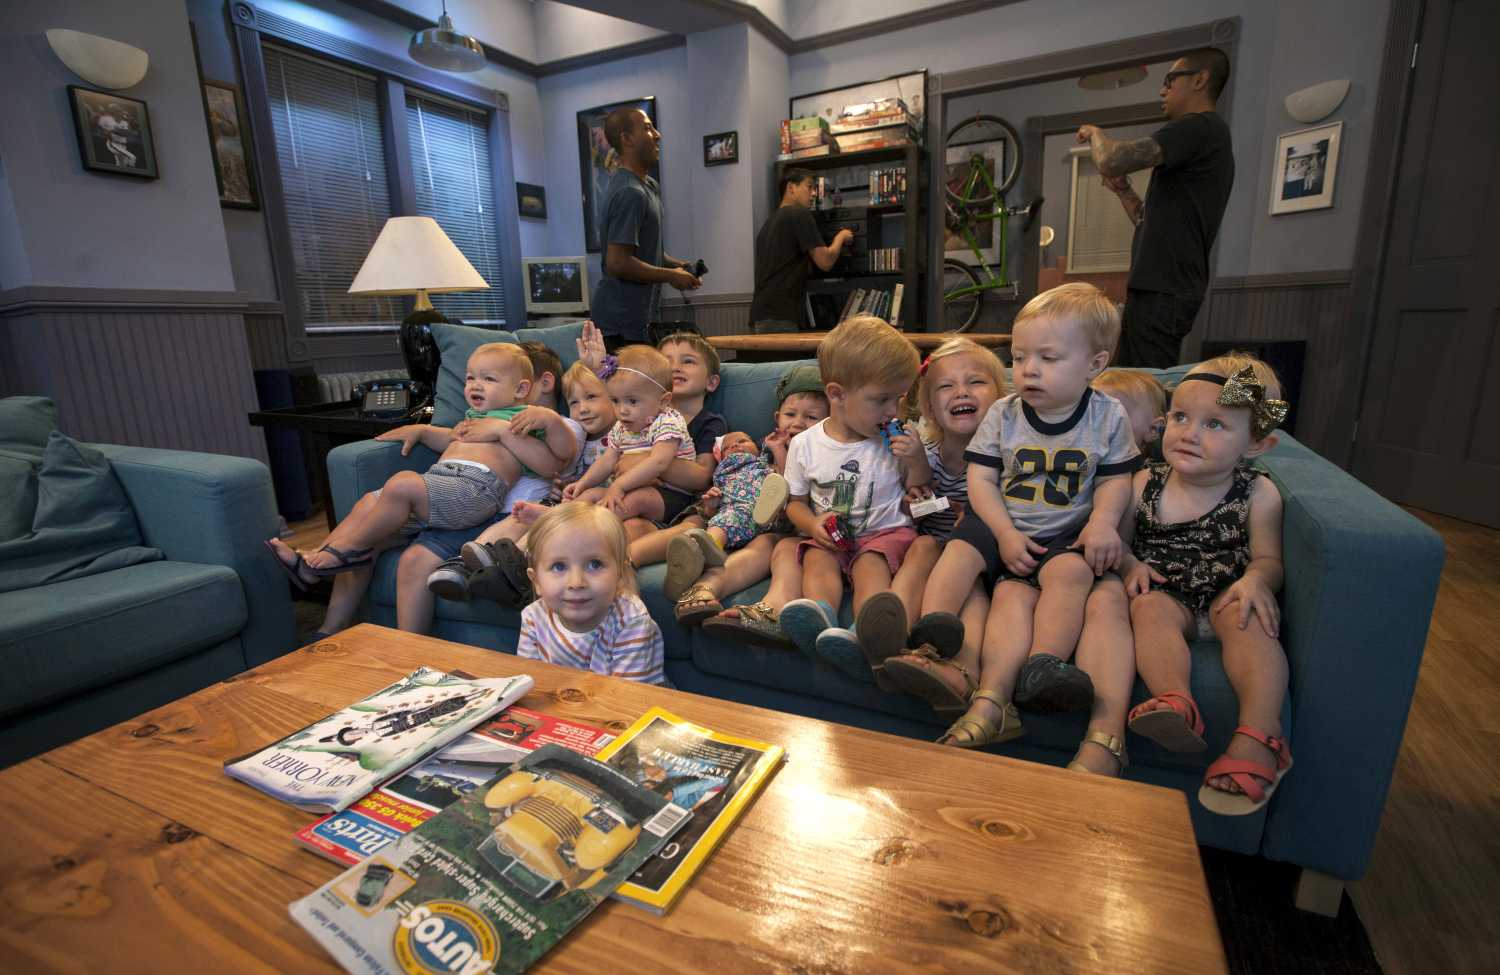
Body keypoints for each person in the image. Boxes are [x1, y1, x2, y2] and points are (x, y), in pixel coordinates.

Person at [897, 283, 1140, 748]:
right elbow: (981, 482)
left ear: (1095, 364)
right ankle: (935, 628)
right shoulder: (1004, 414)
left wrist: (1103, 523)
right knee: (960, 549)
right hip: (999, 516)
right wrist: (1004, 533)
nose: (1029, 370)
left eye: (1048, 359)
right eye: (1020, 357)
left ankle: (1044, 664)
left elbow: (1115, 480)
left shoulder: (1107, 417)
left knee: (1071, 573)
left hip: (1067, 528)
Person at [1120, 354, 1292, 813]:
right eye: (1180, 417)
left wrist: (1257, 580)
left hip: (1224, 595)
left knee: (1249, 619)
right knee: (1147, 609)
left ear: (1256, 444)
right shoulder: (1143, 483)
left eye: (1214, 424)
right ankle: (1175, 702)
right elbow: (1119, 546)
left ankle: (1258, 736)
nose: (1189, 433)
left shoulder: (1258, 492)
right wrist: (1130, 565)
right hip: (1166, 592)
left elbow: (1269, 559)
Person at [266, 343, 561, 588]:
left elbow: (549, 464)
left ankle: (346, 551)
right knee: (369, 502)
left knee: (403, 482)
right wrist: (421, 431)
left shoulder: (524, 417)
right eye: (470, 378)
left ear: (521, 389)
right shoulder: (473, 416)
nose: (475, 384)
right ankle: (315, 570)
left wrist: (502, 430)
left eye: (488, 379)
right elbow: (452, 439)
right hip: (441, 485)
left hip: (474, 490)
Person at [775, 316, 924, 670]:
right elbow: (794, 505)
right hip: (831, 537)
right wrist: (811, 525)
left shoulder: (898, 437)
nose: (892, 411)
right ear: (837, 394)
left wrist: (917, 459)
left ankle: (866, 632)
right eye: (881, 400)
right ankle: (820, 620)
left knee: (871, 564)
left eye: (898, 399)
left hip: (884, 535)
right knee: (815, 558)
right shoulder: (805, 444)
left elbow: (919, 487)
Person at [861, 337, 1007, 692]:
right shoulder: (925, 451)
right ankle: (891, 641)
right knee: (923, 546)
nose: (961, 392)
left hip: (978, 557)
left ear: (1002, 397)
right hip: (932, 543)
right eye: (946, 386)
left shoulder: (1007, 455)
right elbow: (907, 503)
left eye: (975, 382)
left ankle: (963, 669)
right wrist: (914, 501)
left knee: (971, 586)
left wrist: (976, 516)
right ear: (928, 405)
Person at [1077, 48, 1234, 368]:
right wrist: (1123, 191)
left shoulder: (1200, 127)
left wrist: (1096, 134)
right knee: (1133, 382)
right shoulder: (1198, 143)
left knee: (1146, 387)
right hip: (1157, 287)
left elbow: (1110, 159)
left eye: (1170, 80)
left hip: (1166, 289)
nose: (1163, 90)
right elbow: (1145, 219)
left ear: (1200, 79)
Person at [517, 502, 665, 685]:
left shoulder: (630, 622)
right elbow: (530, 686)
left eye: (594, 564)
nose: (576, 582)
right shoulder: (533, 618)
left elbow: (628, 702)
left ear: (619, 573)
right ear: (537, 581)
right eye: (559, 566)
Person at [592, 107, 701, 345]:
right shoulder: (629, 192)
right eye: (648, 128)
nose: (658, 134)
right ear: (627, 139)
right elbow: (618, 262)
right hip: (620, 325)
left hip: (640, 319)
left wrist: (679, 267)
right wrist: (671, 275)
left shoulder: (648, 186)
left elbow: (646, 253)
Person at [563, 344, 694, 516]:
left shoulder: (667, 421)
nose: (622, 410)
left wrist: (619, 485)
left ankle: (588, 531)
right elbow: (607, 460)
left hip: (673, 495)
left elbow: (659, 462)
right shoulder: (621, 426)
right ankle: (558, 521)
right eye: (616, 401)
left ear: (663, 401)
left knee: (633, 501)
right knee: (589, 495)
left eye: (632, 401)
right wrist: (582, 484)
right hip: (632, 487)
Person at [749, 168, 855, 331]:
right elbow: (825, 262)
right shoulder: (799, 214)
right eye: (809, 187)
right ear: (791, 188)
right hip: (781, 315)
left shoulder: (769, 223)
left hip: (760, 314)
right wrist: (841, 236)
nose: (813, 194)